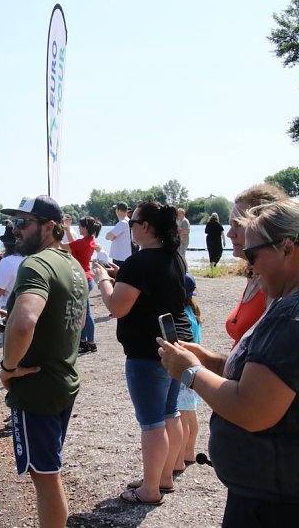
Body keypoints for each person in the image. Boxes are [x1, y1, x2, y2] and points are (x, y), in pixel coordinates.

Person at [158, 197, 299, 527]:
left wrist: (190, 372)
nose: (248, 267)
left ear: (287, 248)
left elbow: (252, 410)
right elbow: (272, 378)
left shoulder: (297, 316)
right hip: (290, 490)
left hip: (284, 500)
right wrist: (211, 361)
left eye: (253, 256)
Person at [91, 201, 192, 506]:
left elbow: (117, 306)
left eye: (133, 222)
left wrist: (104, 280)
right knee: (170, 413)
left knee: (152, 423)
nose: (131, 227)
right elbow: (151, 287)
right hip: (175, 346)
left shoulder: (140, 262)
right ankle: (164, 477)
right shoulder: (174, 257)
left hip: (147, 353)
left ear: (145, 226)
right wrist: (123, 276)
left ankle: (150, 489)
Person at [0, 194, 88, 528]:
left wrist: (8, 368)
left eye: (23, 223)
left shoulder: (35, 265)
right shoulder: (73, 266)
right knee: (50, 470)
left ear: (50, 227)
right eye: (13, 223)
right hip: (64, 381)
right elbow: (77, 323)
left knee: (45, 476)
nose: (15, 230)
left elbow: (23, 323)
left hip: (36, 387)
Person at [225, 184, 288, 349]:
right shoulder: (255, 275)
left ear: (266, 228)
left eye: (239, 224)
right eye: (230, 224)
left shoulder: (277, 287)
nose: (230, 233)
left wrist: (195, 370)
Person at [174, 273, 202, 469]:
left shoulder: (182, 315)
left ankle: (181, 454)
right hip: (195, 367)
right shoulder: (194, 312)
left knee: (182, 414)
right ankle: (189, 451)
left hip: (184, 368)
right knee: (190, 413)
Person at [62, 216, 102, 354]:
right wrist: (67, 230)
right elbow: (74, 246)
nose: (78, 227)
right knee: (86, 312)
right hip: (87, 278)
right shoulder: (89, 240)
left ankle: (89, 342)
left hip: (83, 280)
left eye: (80, 225)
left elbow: (64, 247)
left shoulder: (83, 242)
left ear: (85, 228)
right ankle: (86, 342)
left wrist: (53, 235)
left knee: (84, 313)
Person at [0, 226, 25, 346]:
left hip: (9, 309)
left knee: (9, 349)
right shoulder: (33, 258)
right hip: (29, 308)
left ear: (6, 244)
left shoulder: (7, 262)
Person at [105, 202, 132, 266]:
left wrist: (112, 236)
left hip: (120, 258)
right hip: (125, 256)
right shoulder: (129, 221)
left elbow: (108, 237)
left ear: (118, 211)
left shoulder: (122, 223)